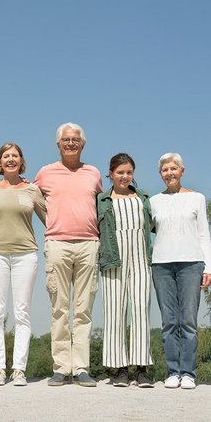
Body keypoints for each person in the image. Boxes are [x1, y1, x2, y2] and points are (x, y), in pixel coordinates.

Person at [34, 122, 102, 387]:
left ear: (82, 144)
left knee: (83, 309)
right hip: (57, 244)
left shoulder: (93, 173)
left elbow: (101, 203)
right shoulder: (46, 173)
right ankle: (62, 367)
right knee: (60, 308)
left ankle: (82, 367)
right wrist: (50, 222)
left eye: (75, 140)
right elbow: (31, 196)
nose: (71, 143)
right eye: (66, 140)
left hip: (88, 245)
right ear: (58, 144)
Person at [0, 143, 46, 386]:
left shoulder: (32, 190)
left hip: (26, 254)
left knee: (22, 312)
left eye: (15, 155)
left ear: (21, 161)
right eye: (6, 156)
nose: (11, 159)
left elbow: (51, 219)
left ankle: (19, 369)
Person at [151, 153, 211, 390]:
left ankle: (188, 373)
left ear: (182, 171)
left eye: (173, 168)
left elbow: (204, 234)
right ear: (161, 174)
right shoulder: (154, 201)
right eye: (165, 169)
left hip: (191, 263)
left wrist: (208, 266)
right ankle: (172, 372)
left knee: (187, 321)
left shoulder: (196, 198)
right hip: (162, 264)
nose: (169, 173)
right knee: (168, 322)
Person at [97, 153, 154, 388]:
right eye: (120, 172)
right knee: (114, 312)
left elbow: (152, 226)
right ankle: (119, 369)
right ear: (110, 174)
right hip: (112, 258)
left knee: (141, 310)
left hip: (141, 258)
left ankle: (142, 369)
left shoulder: (143, 198)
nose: (124, 176)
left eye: (129, 172)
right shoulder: (101, 200)